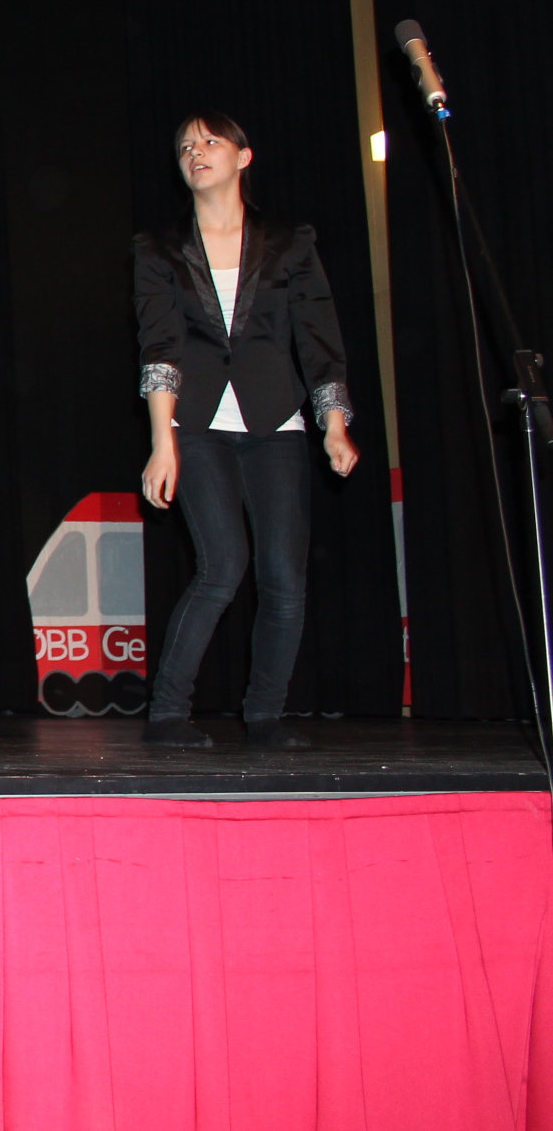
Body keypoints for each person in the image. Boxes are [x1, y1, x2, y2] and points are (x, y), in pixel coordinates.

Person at [135, 112, 358, 749]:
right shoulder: (159, 250)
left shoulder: (289, 243)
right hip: (197, 424)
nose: (196, 152)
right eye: (186, 145)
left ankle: (265, 716)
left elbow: (319, 340)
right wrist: (162, 441)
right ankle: (167, 714)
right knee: (222, 565)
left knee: (284, 577)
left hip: (275, 422)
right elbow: (159, 347)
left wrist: (334, 425)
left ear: (243, 156)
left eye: (210, 141)